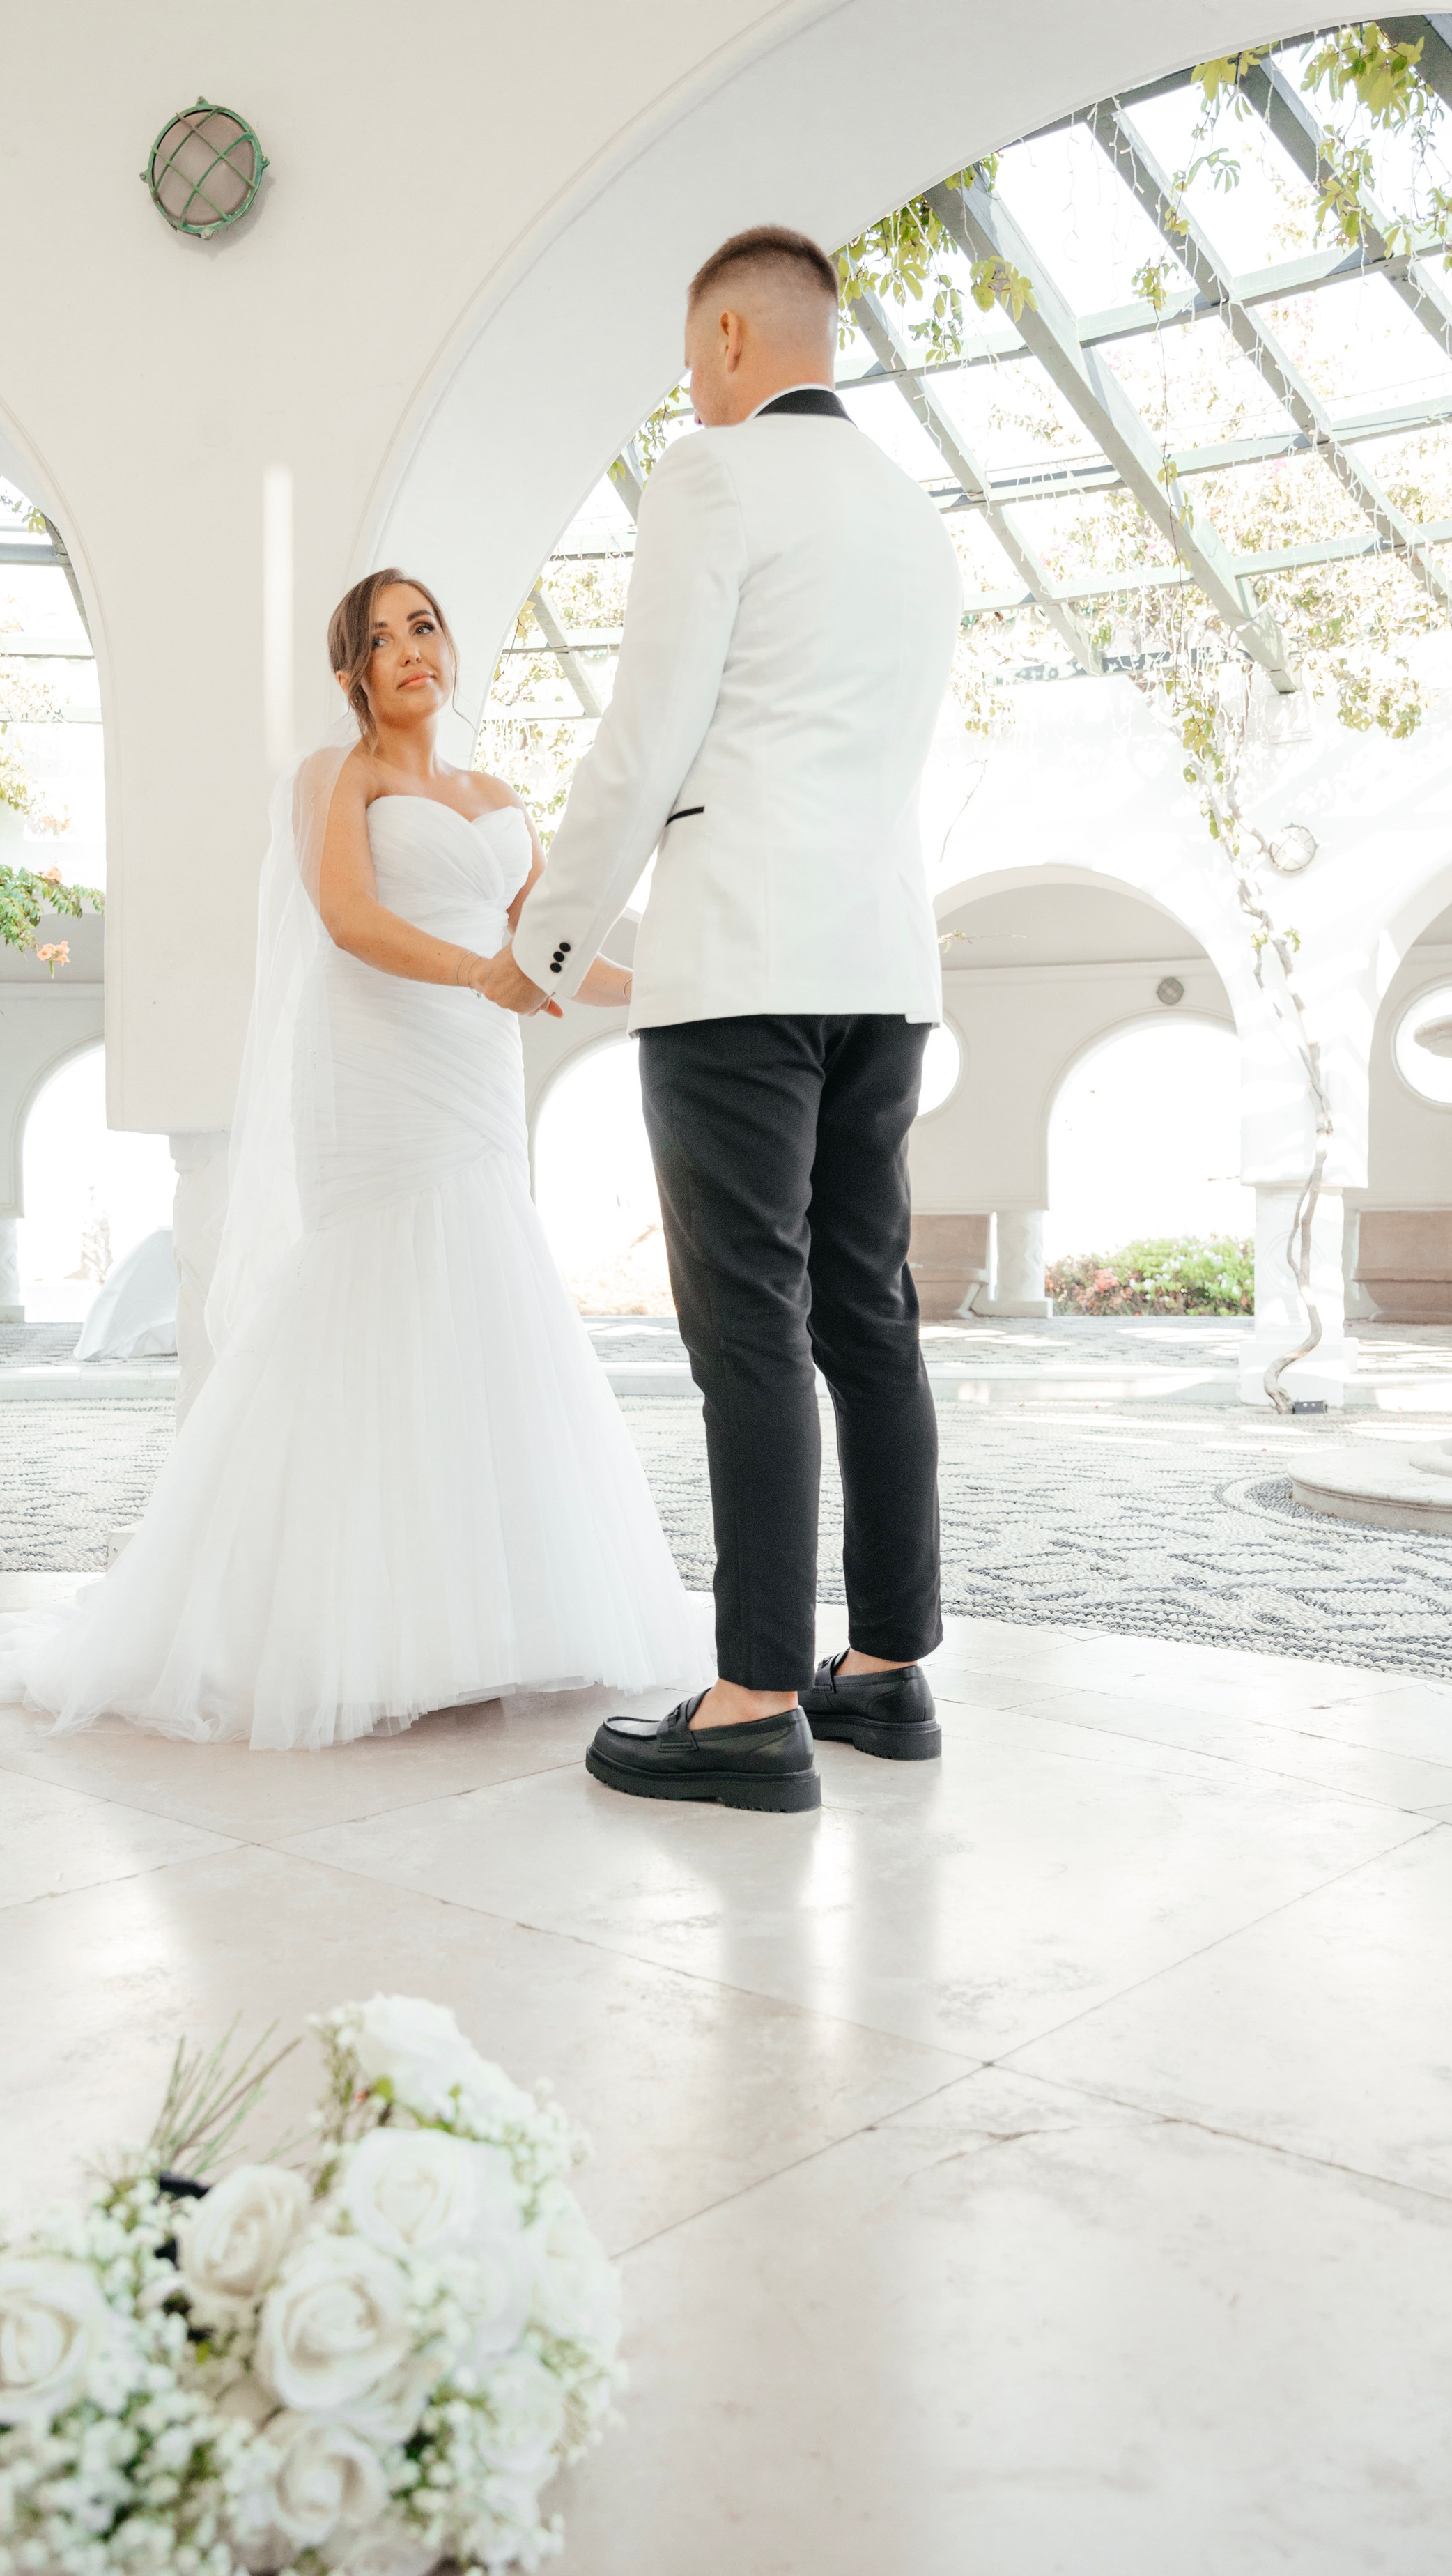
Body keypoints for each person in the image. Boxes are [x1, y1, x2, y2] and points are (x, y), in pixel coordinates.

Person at [0, 571, 710, 1749]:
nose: (412, 650)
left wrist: (669, 989)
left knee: (484, 1294)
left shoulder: (498, 796)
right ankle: (355, 1628)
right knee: (374, 1298)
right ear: (352, 672)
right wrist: (480, 974)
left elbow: (549, 944)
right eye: (383, 638)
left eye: (425, 627)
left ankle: (491, 1623)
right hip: (382, 1065)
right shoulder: (335, 777)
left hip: (477, 1071)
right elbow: (347, 916)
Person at [480, 224, 962, 1815]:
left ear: (736, 343)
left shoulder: (712, 476)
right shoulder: (913, 512)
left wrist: (548, 943)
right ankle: (883, 1671)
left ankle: (752, 1700)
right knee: (867, 1313)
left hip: (741, 965)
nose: (689, 390)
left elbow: (645, 735)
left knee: (747, 1323)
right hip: (881, 966)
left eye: (694, 360)